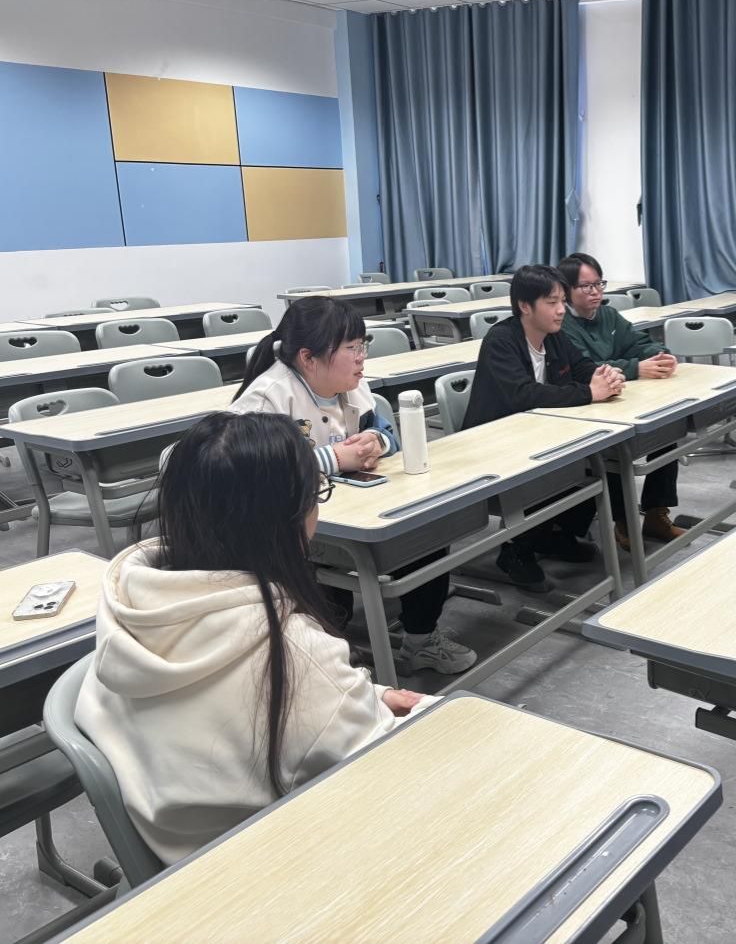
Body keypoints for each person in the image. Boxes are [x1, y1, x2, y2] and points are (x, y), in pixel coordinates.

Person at [75, 413, 435, 865]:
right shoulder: (294, 654)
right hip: (267, 864)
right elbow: (384, 777)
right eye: (315, 495)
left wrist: (364, 696)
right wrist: (380, 704)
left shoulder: (128, 600)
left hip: (175, 854)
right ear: (284, 520)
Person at [230, 297, 475, 675]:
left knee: (424, 527)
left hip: (347, 510)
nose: (362, 358)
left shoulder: (351, 384)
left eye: (364, 346)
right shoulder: (267, 399)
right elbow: (251, 473)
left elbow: (387, 431)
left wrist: (377, 442)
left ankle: (421, 640)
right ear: (308, 358)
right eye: (352, 348)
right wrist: (334, 458)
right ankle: (322, 655)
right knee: (330, 601)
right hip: (287, 529)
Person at [464, 264, 625, 589]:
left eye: (562, 301)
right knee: (558, 467)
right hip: (494, 444)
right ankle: (515, 551)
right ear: (525, 305)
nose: (561, 309)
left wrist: (605, 376)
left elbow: (583, 367)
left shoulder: (554, 337)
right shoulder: (501, 340)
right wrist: (589, 393)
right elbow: (524, 395)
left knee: (599, 457)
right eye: (552, 302)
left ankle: (554, 536)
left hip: (538, 435)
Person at [558, 252, 686, 550]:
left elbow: (639, 342)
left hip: (623, 396)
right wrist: (635, 368)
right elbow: (586, 368)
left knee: (666, 428)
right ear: (566, 290)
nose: (595, 292)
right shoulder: (562, 325)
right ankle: (624, 521)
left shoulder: (608, 315)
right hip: (588, 407)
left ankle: (656, 513)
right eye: (585, 286)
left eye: (599, 284)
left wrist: (660, 355)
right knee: (614, 448)